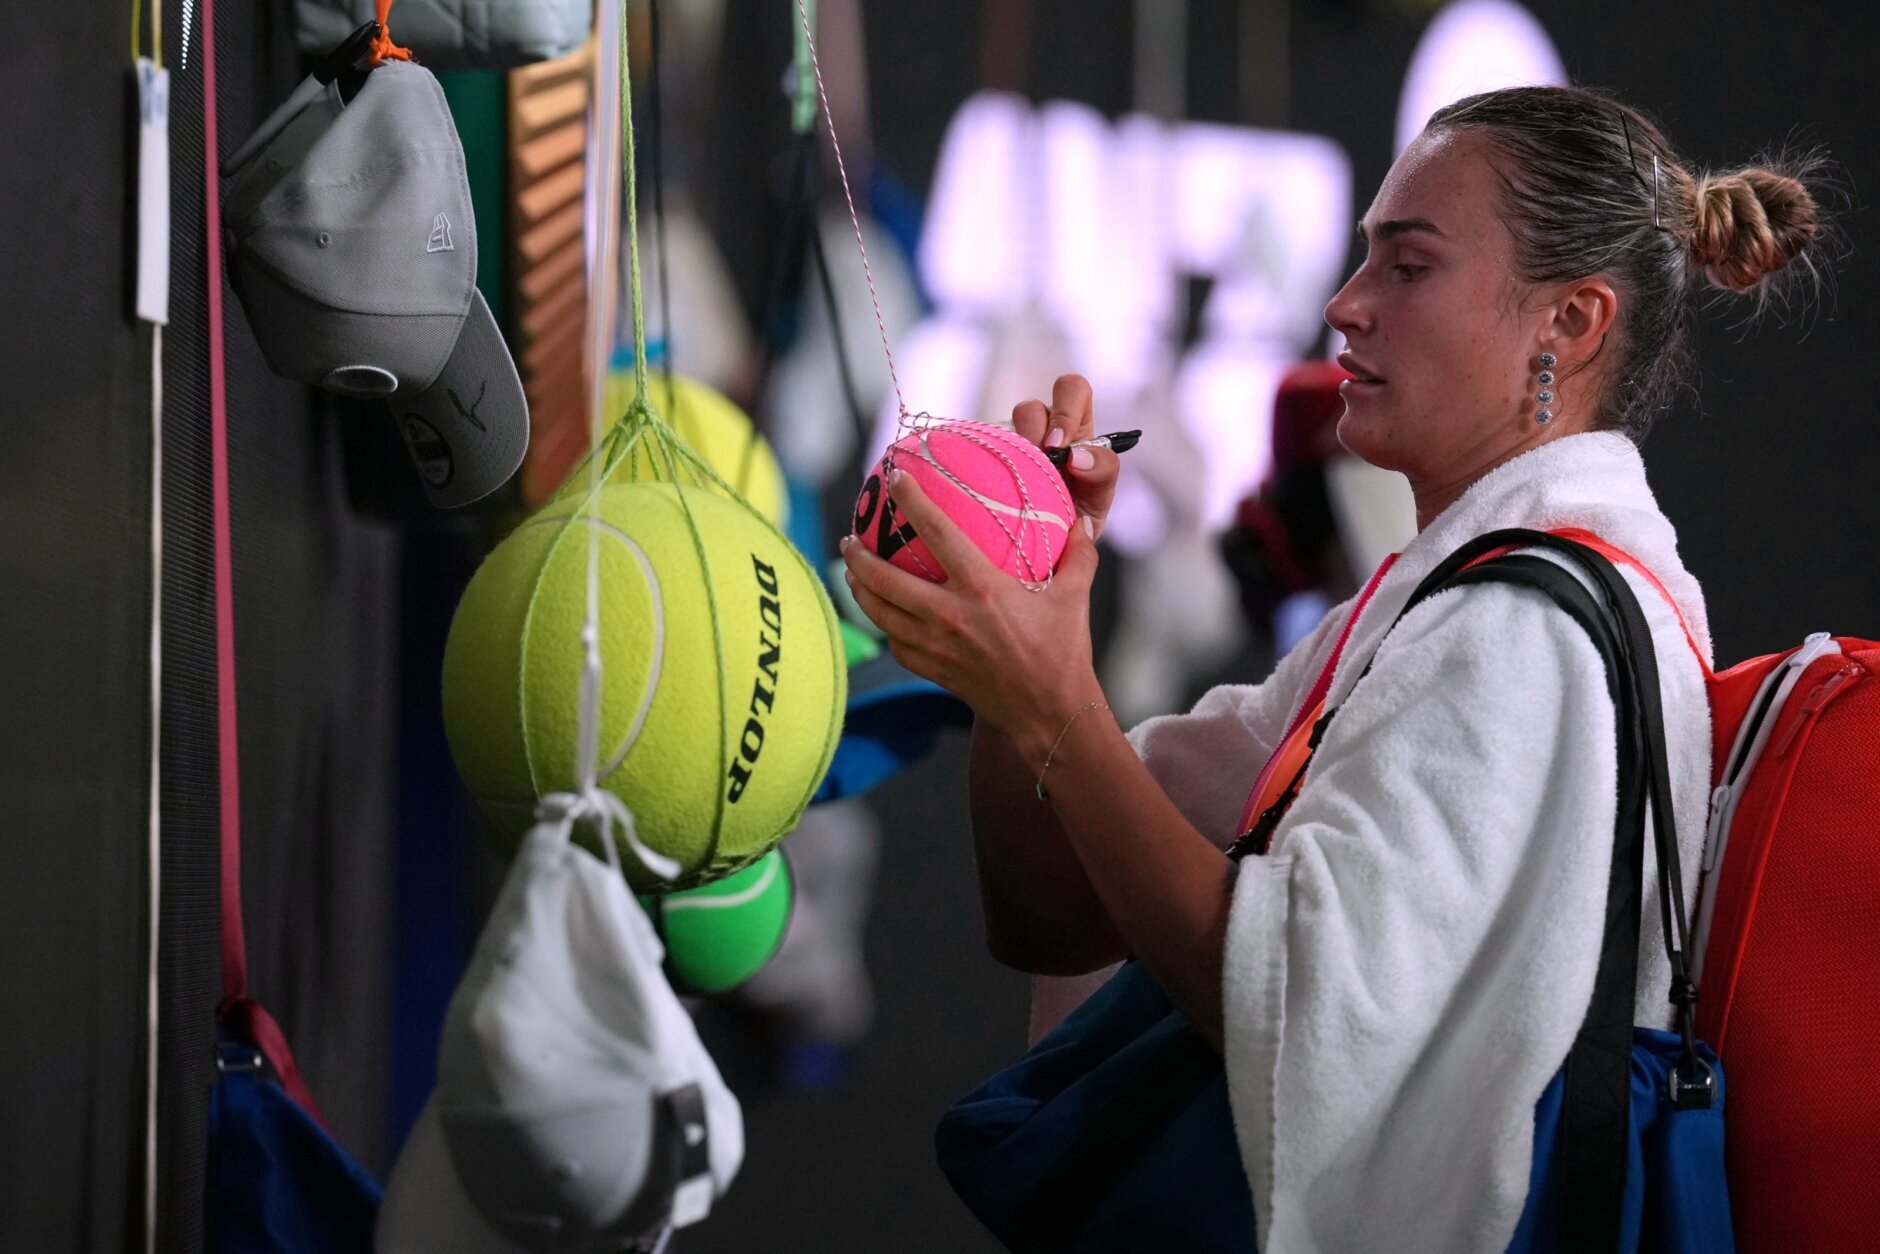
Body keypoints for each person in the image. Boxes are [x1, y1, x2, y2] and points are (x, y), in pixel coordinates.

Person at [841, 85, 1828, 1251]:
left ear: (1567, 324)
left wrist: (1054, 704)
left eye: (1406, 266)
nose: (1342, 303)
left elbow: (1292, 1012)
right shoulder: (1441, 599)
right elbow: (1057, 913)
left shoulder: (1523, 631)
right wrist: (1034, 623)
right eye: (1363, 257)